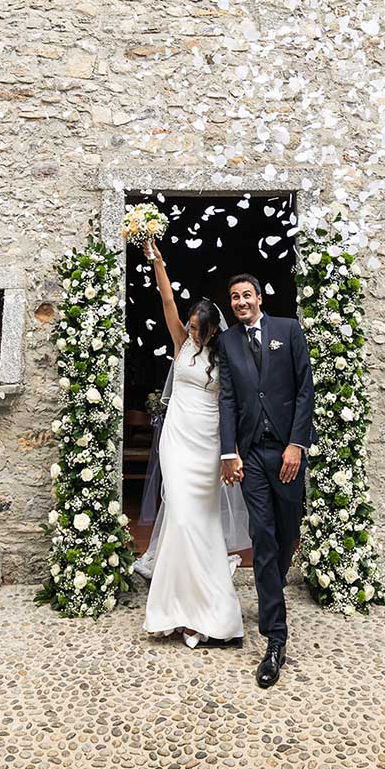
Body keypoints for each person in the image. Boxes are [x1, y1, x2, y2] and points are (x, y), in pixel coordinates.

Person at [132, 239, 248, 647]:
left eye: (199, 330)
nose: (193, 333)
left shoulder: (227, 354)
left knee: (204, 524)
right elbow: (165, 298)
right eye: (191, 327)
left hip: (208, 443)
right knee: (179, 517)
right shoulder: (181, 343)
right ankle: (173, 608)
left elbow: (234, 401)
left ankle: (208, 611)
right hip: (178, 440)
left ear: (213, 330)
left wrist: (228, 452)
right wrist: (158, 262)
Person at [216, 272, 315, 689]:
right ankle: (275, 638)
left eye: (246, 295)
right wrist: (229, 451)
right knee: (262, 536)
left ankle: (273, 579)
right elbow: (228, 397)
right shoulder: (227, 342)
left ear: (260, 296)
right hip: (252, 453)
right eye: (234, 297)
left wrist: (297, 444)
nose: (240, 302)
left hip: (286, 451)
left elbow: (305, 388)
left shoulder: (288, 330)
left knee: (287, 531)